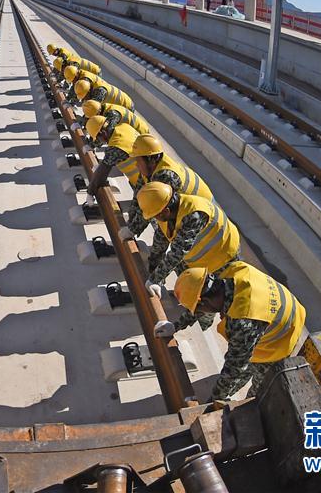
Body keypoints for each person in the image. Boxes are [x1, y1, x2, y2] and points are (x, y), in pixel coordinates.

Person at [153, 262, 306, 401]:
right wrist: (176, 325)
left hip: (284, 334)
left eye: (197, 308)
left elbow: (234, 368)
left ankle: (253, 402)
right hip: (283, 306)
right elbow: (202, 302)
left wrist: (213, 402)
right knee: (243, 363)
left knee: (260, 388)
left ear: (204, 302)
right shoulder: (231, 273)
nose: (198, 312)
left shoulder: (243, 321)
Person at [137, 181, 241, 294]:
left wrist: (155, 279)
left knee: (208, 299)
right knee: (183, 281)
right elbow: (160, 240)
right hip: (197, 257)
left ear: (165, 211)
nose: (155, 219)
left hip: (222, 258)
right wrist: (153, 267)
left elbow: (178, 252)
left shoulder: (194, 215)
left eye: (155, 215)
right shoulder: (167, 211)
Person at [123, 134, 214, 247]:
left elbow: (150, 206)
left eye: (138, 160)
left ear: (151, 159)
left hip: (202, 211)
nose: (136, 165)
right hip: (183, 207)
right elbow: (138, 196)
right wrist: (131, 222)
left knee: (179, 242)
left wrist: (132, 230)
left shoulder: (165, 176)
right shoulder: (150, 167)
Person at [83, 116, 141, 199]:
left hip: (146, 183)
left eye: (98, 138)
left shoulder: (117, 147)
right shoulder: (124, 126)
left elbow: (101, 173)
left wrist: (90, 193)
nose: (100, 141)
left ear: (103, 133)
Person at [67, 67, 134, 110]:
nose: (84, 99)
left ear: (89, 91)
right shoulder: (87, 86)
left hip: (127, 106)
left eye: (84, 97)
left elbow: (93, 110)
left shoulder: (99, 92)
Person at [81, 100, 150, 135]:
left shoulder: (112, 115)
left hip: (140, 132)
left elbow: (108, 133)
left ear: (98, 113)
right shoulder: (105, 108)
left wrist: (92, 144)